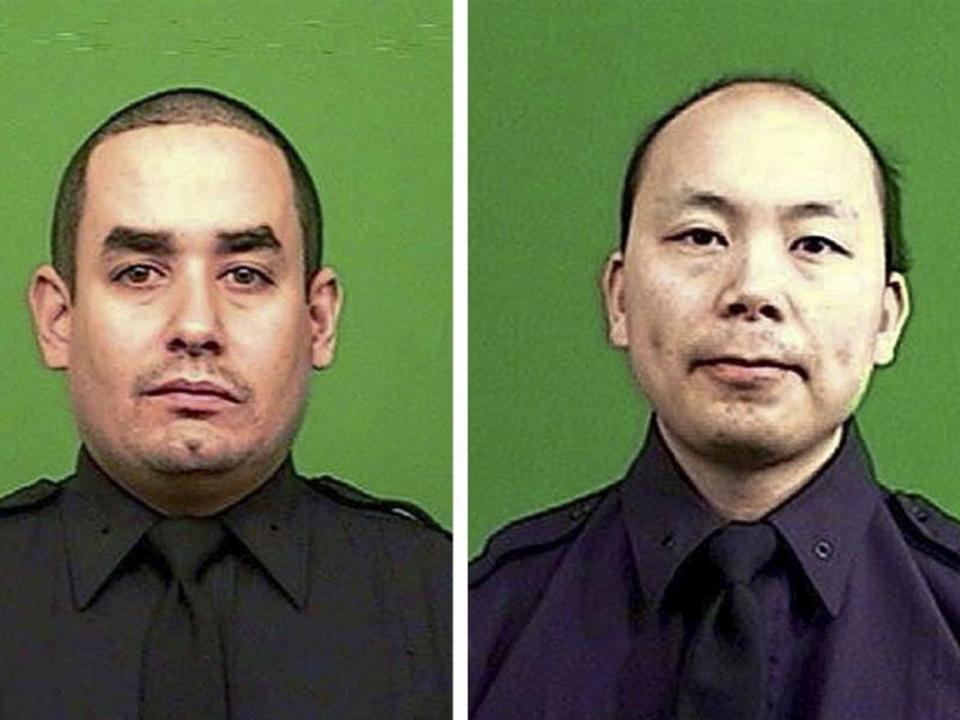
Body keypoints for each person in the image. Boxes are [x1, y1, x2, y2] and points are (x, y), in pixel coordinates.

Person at [470, 77, 960, 719]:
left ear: (887, 318)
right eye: (701, 236)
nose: (753, 288)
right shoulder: (485, 621)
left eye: (814, 244)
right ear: (619, 299)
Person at [1, 88, 450, 719]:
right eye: (139, 272)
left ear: (317, 320)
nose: (195, 324)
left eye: (245, 274)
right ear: (58, 319)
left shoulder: (448, 607)